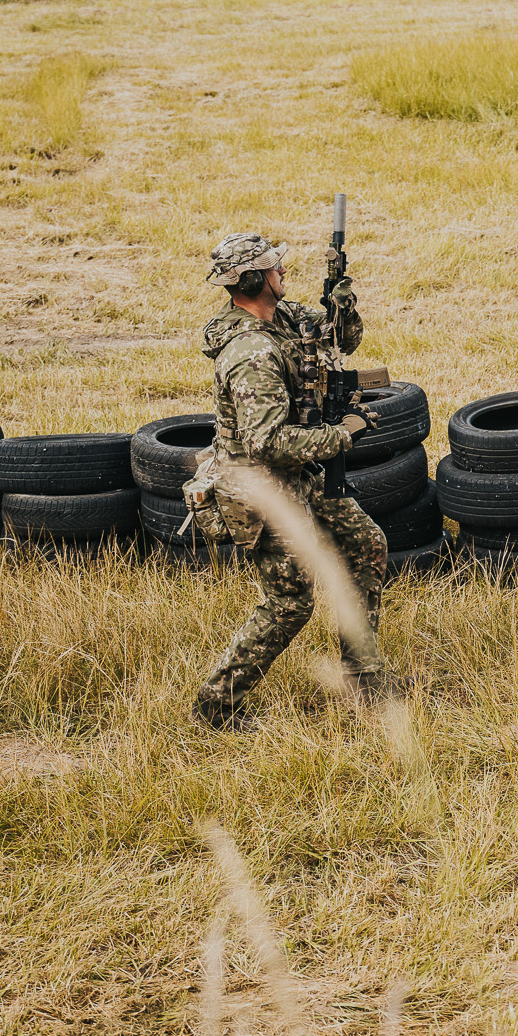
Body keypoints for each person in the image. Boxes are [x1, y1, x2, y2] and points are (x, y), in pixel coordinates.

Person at [194, 232, 388, 729]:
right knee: (290, 603)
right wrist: (342, 436)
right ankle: (215, 706)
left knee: (365, 543)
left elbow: (338, 339)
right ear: (256, 280)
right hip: (263, 488)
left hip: (300, 474)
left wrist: (341, 303)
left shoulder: (282, 318)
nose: (284, 272)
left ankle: (361, 680)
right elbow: (268, 443)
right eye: (274, 268)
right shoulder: (250, 354)